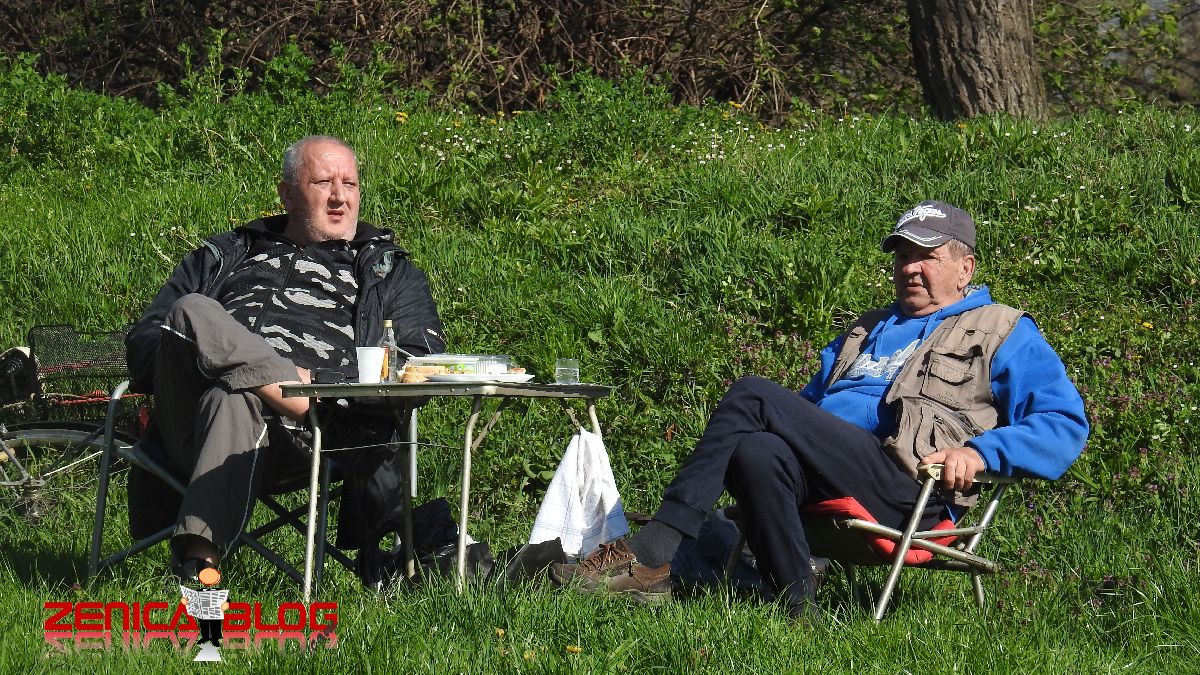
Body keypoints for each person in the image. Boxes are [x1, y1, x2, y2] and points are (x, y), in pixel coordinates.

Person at [552, 200, 1089, 615]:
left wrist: (980, 453)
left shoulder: (1002, 330)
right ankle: (798, 609)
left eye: (926, 256)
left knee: (752, 393)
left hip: (908, 485)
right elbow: (802, 411)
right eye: (902, 256)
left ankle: (656, 547)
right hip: (832, 471)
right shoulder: (867, 329)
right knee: (758, 450)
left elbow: (1064, 423)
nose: (909, 268)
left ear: (964, 267)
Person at [125, 135, 445, 581]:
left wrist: (322, 377)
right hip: (193, 422)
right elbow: (144, 342)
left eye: (350, 184)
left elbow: (419, 362)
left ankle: (199, 565)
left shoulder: (387, 271)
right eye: (324, 182)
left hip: (311, 437)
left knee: (234, 395)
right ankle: (292, 394)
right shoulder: (226, 254)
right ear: (288, 194)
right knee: (192, 310)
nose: (340, 197)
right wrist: (275, 375)